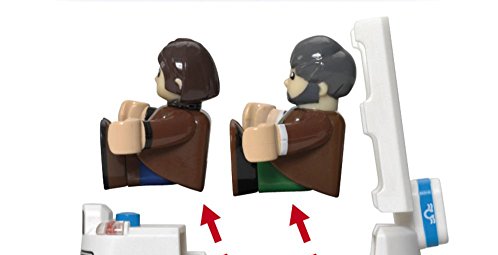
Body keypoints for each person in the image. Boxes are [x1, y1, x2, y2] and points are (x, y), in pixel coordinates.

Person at [230, 35, 356, 197]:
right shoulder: (307, 114)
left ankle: (246, 178)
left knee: (245, 154)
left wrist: (270, 137)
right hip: (289, 168)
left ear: (321, 88)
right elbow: (291, 120)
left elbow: (292, 136)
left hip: (296, 177)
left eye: (293, 76)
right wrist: (269, 115)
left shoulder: (321, 122)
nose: (286, 81)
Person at [101, 38, 220, 191]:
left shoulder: (187, 120)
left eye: (160, 74)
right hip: (163, 165)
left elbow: (160, 131)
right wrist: (145, 113)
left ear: (178, 84)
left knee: (120, 154)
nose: (155, 78)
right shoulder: (181, 114)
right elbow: (164, 118)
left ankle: (117, 176)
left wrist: (140, 131)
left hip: (165, 172)